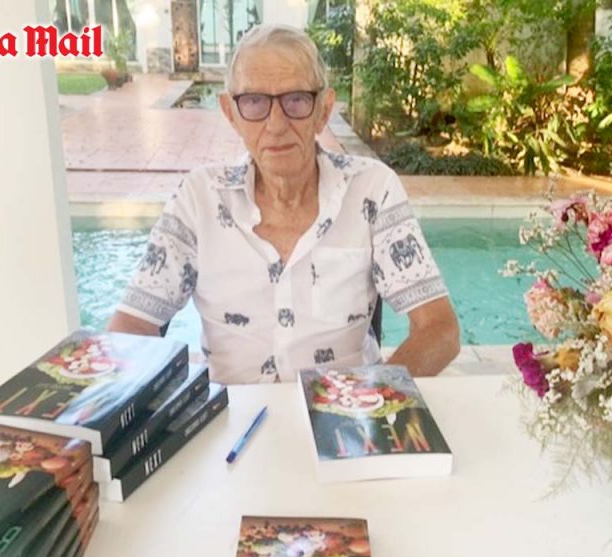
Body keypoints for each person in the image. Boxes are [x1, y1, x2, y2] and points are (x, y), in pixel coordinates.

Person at [108, 24, 460, 384]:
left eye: (296, 100)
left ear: (324, 110)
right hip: (230, 411)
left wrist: (370, 398)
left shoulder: (372, 189)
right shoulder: (199, 198)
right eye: (254, 102)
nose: (276, 124)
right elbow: (131, 324)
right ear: (230, 113)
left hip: (345, 411)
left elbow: (440, 329)